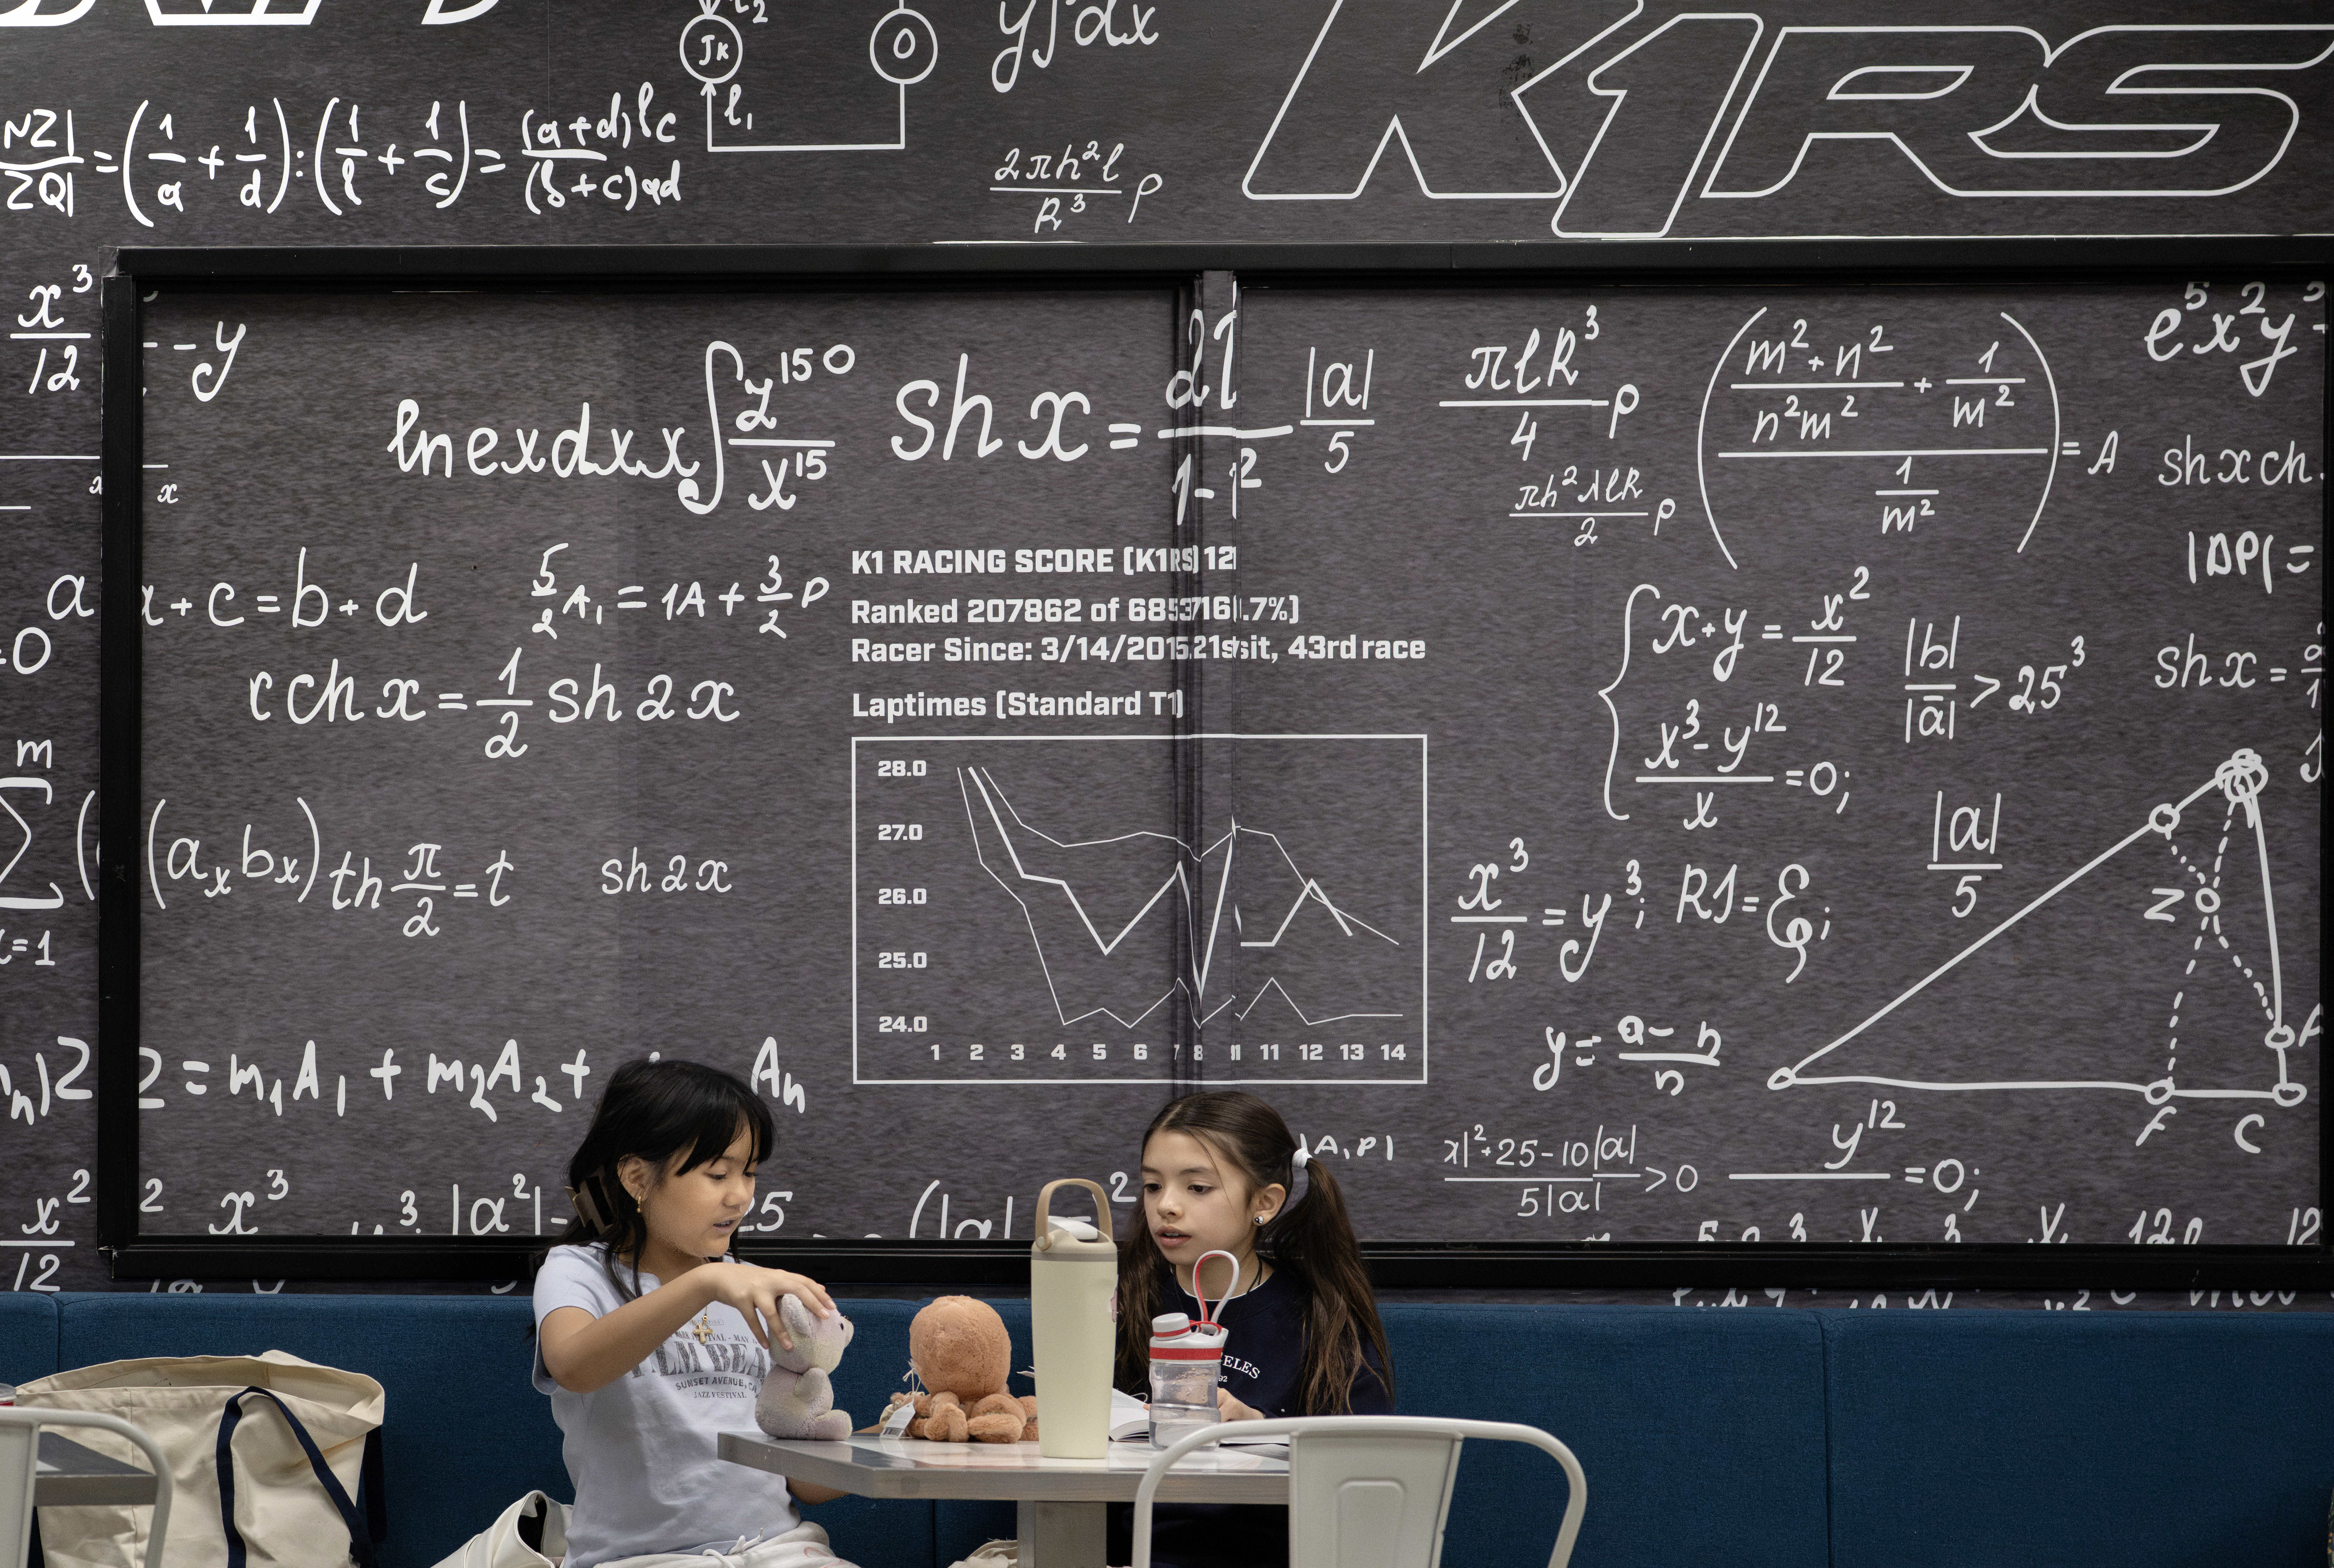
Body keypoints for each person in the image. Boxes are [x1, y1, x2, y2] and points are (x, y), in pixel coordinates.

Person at [534, 1057, 857, 1568]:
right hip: (643, 1561)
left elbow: (804, 1484)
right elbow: (573, 1366)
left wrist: (893, 1441)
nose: (741, 1195)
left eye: (749, 1173)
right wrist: (706, 1284)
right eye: (718, 1174)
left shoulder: (750, 1287)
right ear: (638, 1178)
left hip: (781, 1551)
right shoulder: (577, 1270)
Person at [1108, 1090, 1395, 1568]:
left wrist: (1259, 1427)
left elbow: (1370, 1470)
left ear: (1264, 1202)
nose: (1167, 1206)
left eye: (1198, 1188)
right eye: (1153, 1186)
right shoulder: (1125, 1301)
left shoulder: (1319, 1313)